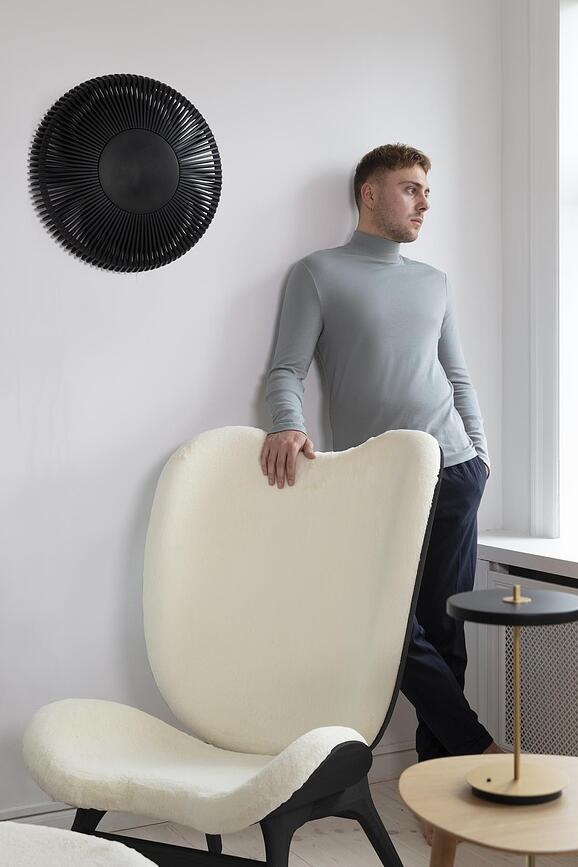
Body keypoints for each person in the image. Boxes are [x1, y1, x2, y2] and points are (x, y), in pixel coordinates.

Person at [260, 143, 505, 846]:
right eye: (410, 188)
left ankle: (438, 802)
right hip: (377, 481)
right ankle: (478, 748)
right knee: (389, 627)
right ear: (370, 194)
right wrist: (287, 425)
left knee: (445, 633)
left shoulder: (434, 282)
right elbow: (285, 369)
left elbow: (457, 375)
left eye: (427, 189)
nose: (425, 201)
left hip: (454, 471)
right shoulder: (318, 273)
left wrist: (481, 454)